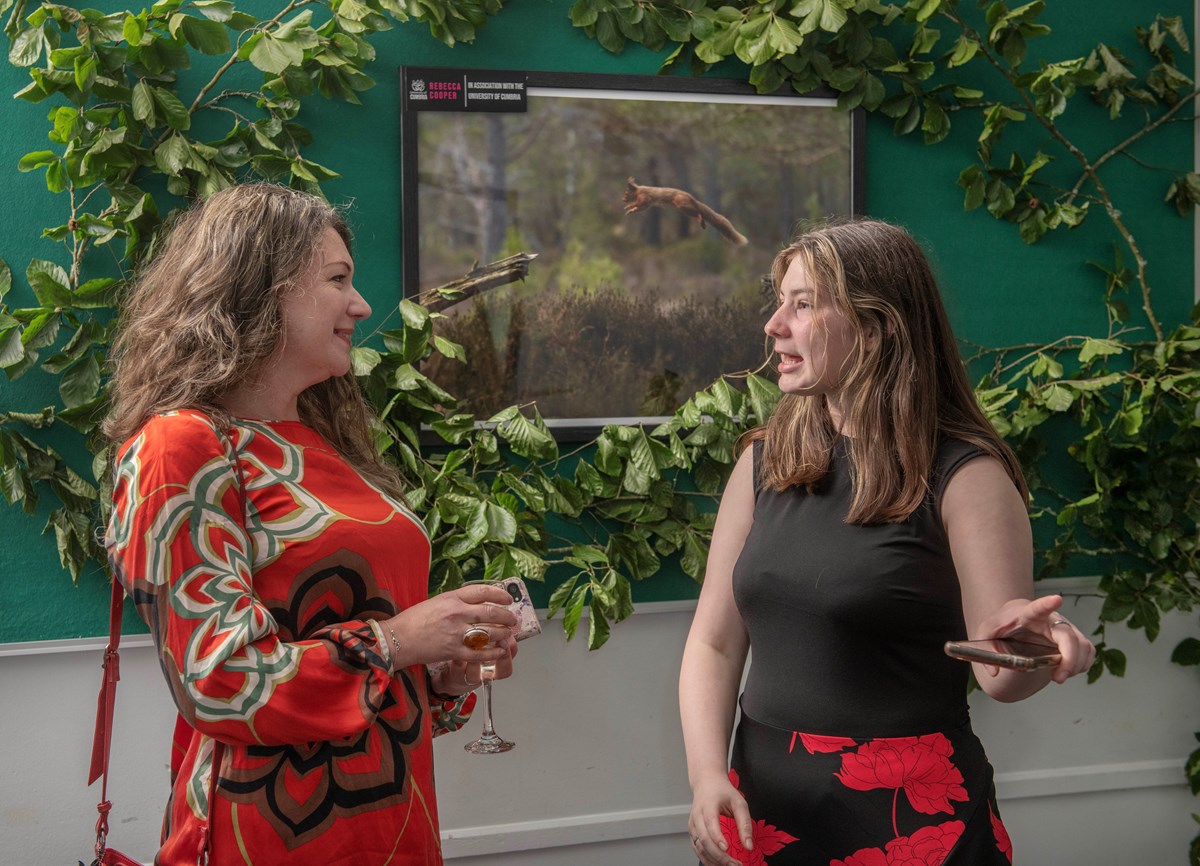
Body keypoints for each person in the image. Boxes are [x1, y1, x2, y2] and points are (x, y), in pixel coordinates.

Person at [103, 183, 520, 866]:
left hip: (393, 828)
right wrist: (395, 641)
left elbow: (385, 682)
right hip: (264, 838)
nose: (360, 305)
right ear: (263, 288)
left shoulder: (329, 447)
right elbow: (223, 681)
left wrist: (445, 674)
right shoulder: (181, 446)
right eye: (338, 280)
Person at [679, 218, 1096, 866]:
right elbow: (713, 640)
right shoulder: (763, 461)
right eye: (778, 302)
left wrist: (1039, 650)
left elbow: (999, 673)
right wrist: (707, 777)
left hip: (907, 819)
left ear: (876, 330)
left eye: (803, 304)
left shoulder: (968, 475)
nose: (773, 325)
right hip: (763, 806)